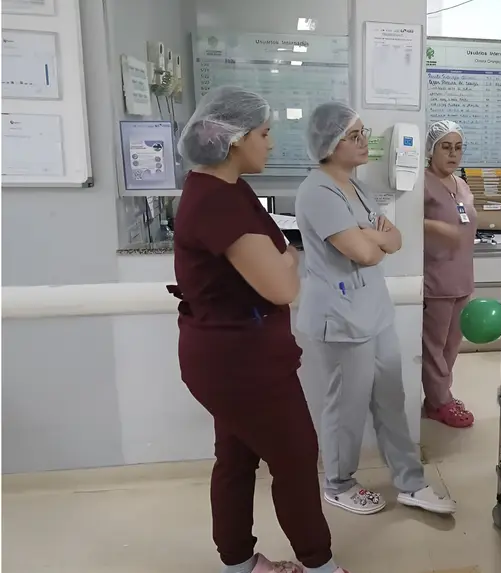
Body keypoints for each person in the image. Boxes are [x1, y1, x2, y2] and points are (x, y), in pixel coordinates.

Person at [171, 86, 347, 573]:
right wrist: (287, 259)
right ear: (234, 139)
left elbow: (278, 261)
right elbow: (283, 285)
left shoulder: (226, 188)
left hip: (232, 357)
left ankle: (239, 563)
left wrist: (283, 258)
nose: (271, 143)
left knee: (236, 456)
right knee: (295, 457)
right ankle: (319, 565)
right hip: (240, 365)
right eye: (264, 133)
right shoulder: (217, 201)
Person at [295, 101, 457, 517]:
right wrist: (374, 238)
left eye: (363, 132)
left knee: (391, 399)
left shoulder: (358, 187)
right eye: (353, 135)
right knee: (345, 407)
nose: (364, 141)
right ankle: (338, 483)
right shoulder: (317, 191)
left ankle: (410, 482)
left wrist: (372, 237)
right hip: (340, 317)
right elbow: (366, 253)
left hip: (374, 310)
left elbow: (396, 239)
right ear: (329, 144)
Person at [422, 120, 477, 428]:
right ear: (431, 150)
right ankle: (439, 402)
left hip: (462, 279)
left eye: (458, 147)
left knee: (451, 346)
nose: (453, 154)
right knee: (433, 348)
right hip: (436, 280)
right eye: (445, 147)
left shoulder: (461, 184)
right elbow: (405, 221)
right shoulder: (422, 183)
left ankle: (439, 395)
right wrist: (435, 227)